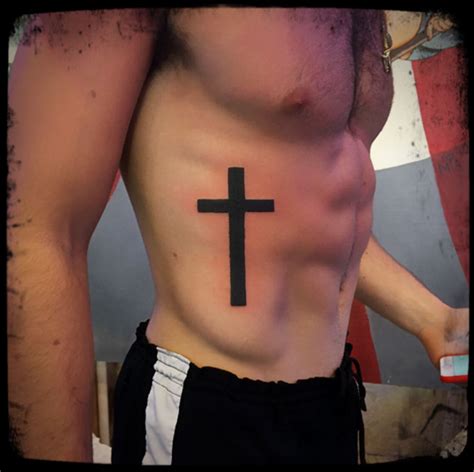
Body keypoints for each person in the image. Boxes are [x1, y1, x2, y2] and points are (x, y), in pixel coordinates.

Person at [7, 8, 469, 465]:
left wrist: (434, 320)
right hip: (203, 412)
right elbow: (35, 231)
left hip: (331, 405)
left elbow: (313, 214)